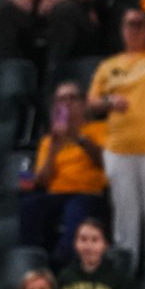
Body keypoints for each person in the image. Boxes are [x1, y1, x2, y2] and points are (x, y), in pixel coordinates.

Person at [88, 7, 145, 260]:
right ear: (122, 29)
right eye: (130, 24)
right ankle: (127, 271)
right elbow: (92, 101)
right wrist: (108, 101)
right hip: (118, 150)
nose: (135, 29)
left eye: (140, 24)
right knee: (125, 216)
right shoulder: (109, 66)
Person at [20, 83, 109, 256]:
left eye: (72, 98)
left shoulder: (100, 129)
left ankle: (65, 259)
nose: (67, 103)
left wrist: (78, 138)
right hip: (57, 194)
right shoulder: (48, 141)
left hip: (89, 193)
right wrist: (53, 148)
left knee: (75, 208)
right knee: (29, 205)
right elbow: (43, 181)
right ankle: (32, 257)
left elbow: (104, 163)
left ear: (83, 104)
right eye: (62, 99)